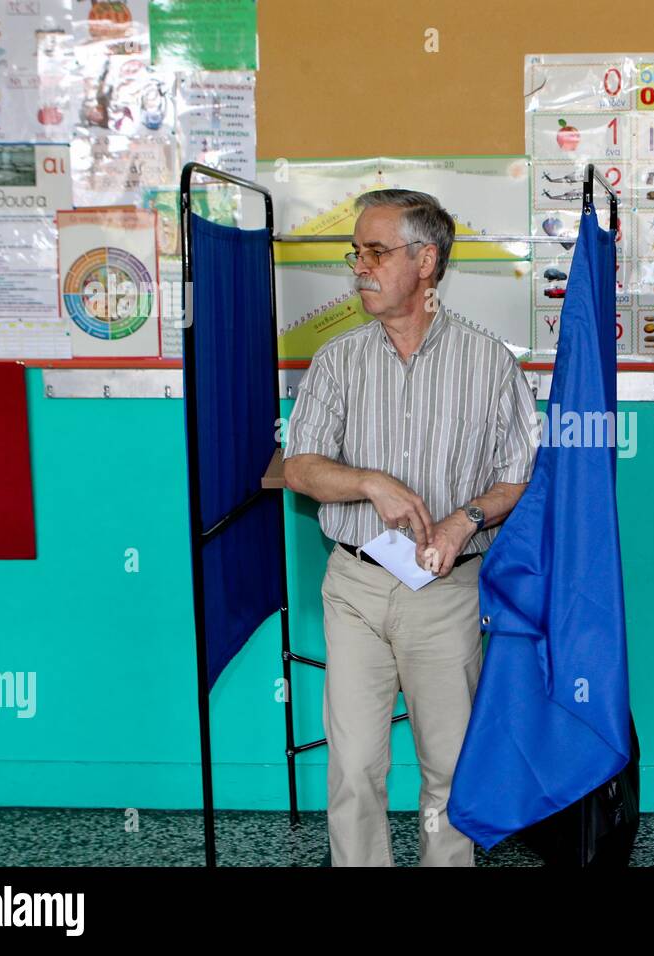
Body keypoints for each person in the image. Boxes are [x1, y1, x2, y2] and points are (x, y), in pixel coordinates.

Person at [283, 189, 539, 866]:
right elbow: (302, 467)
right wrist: (369, 481)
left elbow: (519, 476)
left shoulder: (489, 363)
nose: (359, 267)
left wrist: (465, 519)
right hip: (356, 589)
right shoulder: (339, 361)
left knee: (449, 770)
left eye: (375, 251)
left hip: (447, 590)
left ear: (425, 261)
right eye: (356, 253)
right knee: (354, 769)